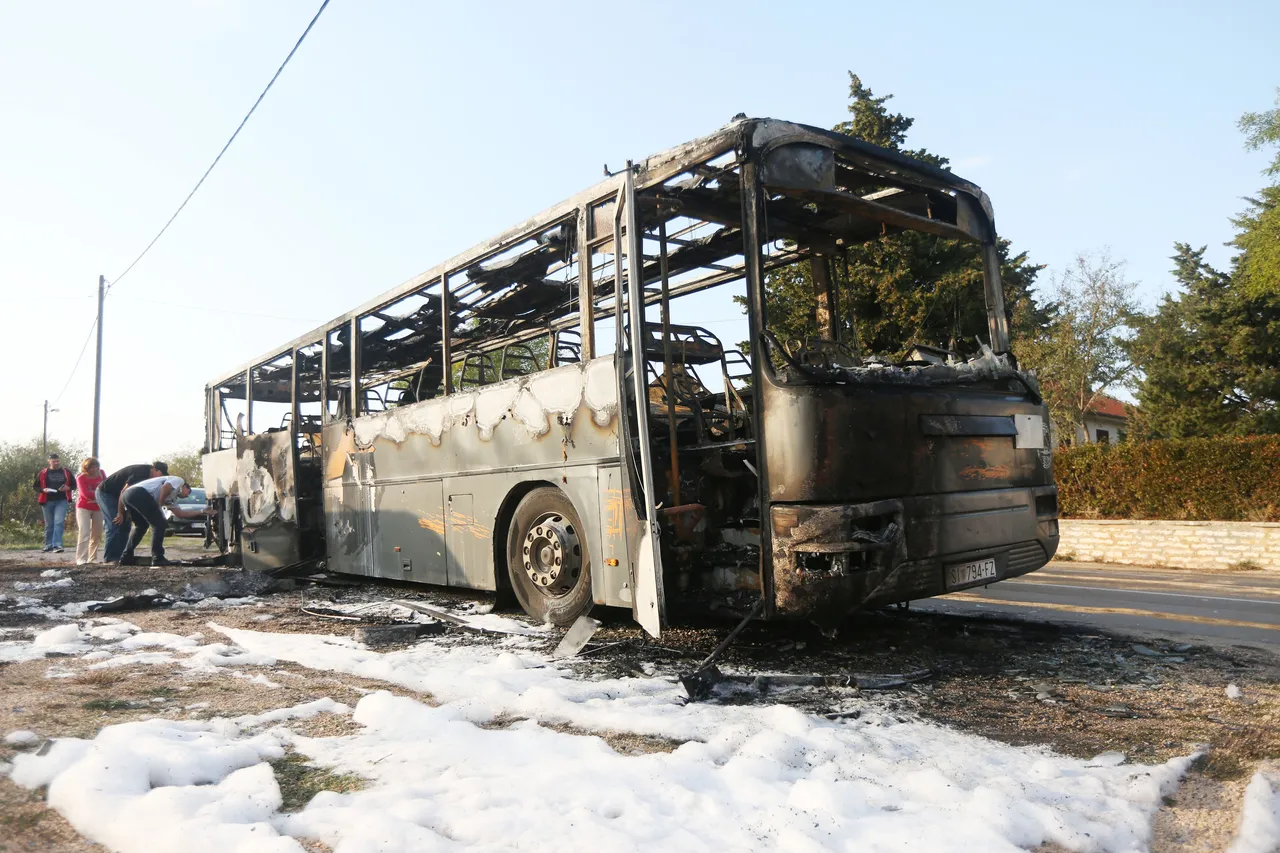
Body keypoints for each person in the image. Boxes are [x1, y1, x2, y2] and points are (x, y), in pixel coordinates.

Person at [118, 474, 208, 566]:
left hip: (127, 495)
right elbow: (165, 487)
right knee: (160, 524)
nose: (187, 496)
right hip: (138, 492)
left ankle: (126, 556)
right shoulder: (179, 480)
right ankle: (158, 558)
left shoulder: (172, 498)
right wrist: (160, 506)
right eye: (189, 492)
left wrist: (202, 511)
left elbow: (180, 514)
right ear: (186, 487)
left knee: (141, 526)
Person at [97, 461, 167, 563]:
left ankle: (122, 557)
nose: (159, 478)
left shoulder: (148, 477)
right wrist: (120, 513)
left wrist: (129, 511)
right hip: (107, 493)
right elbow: (124, 492)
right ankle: (110, 558)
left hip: (121, 497)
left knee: (126, 525)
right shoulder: (141, 472)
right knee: (115, 523)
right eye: (160, 474)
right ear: (154, 469)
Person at [33, 452, 74, 553]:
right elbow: (35, 486)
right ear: (49, 461)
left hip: (62, 500)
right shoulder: (43, 473)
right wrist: (43, 490)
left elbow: (74, 485)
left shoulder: (66, 472)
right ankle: (48, 544)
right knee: (49, 524)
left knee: (59, 522)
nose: (56, 463)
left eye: (57, 461)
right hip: (47, 500)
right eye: (54, 461)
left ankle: (57, 545)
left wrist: (68, 487)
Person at [74, 457, 106, 564]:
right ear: (86, 468)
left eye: (95, 467)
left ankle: (93, 558)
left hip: (98, 507)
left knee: (97, 533)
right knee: (84, 532)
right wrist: (98, 495)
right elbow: (85, 494)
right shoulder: (81, 478)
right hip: (83, 507)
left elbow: (105, 488)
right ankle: (81, 558)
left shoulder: (102, 474)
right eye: (91, 468)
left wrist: (95, 498)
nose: (94, 469)